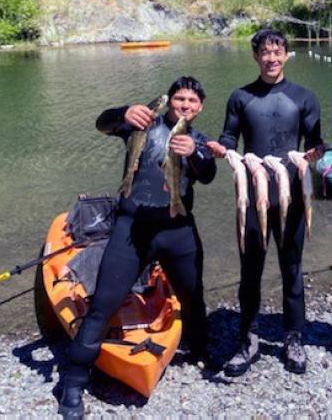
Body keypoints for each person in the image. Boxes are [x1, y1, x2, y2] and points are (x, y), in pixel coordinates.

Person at [56, 76, 216, 418]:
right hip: (132, 229)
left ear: (200, 107)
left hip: (178, 232)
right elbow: (102, 124)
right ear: (170, 101)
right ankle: (72, 382)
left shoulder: (198, 139)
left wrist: (197, 155)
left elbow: (208, 175)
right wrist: (123, 112)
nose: (185, 105)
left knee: (193, 296)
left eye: (192, 101)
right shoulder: (141, 125)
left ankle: (199, 349)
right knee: (102, 305)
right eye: (179, 99)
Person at [206, 28, 323, 376]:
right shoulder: (240, 97)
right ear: (256, 57)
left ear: (286, 55)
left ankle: (294, 338)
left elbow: (315, 141)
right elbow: (230, 136)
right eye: (265, 53)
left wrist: (318, 151)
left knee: (292, 268)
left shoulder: (304, 97)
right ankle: (248, 340)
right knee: (250, 270)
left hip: (292, 192)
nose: (271, 58)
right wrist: (221, 148)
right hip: (253, 193)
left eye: (277, 52)